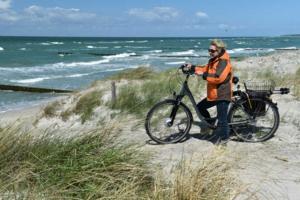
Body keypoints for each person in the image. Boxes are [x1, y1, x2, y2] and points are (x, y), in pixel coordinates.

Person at [185, 39, 233, 144]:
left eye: (212, 51)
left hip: (222, 93)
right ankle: (211, 125)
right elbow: (205, 69)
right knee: (200, 107)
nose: (210, 52)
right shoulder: (213, 60)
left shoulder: (223, 61)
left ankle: (224, 140)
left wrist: (204, 75)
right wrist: (192, 67)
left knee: (222, 119)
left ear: (219, 50)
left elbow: (218, 77)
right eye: (209, 50)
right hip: (214, 93)